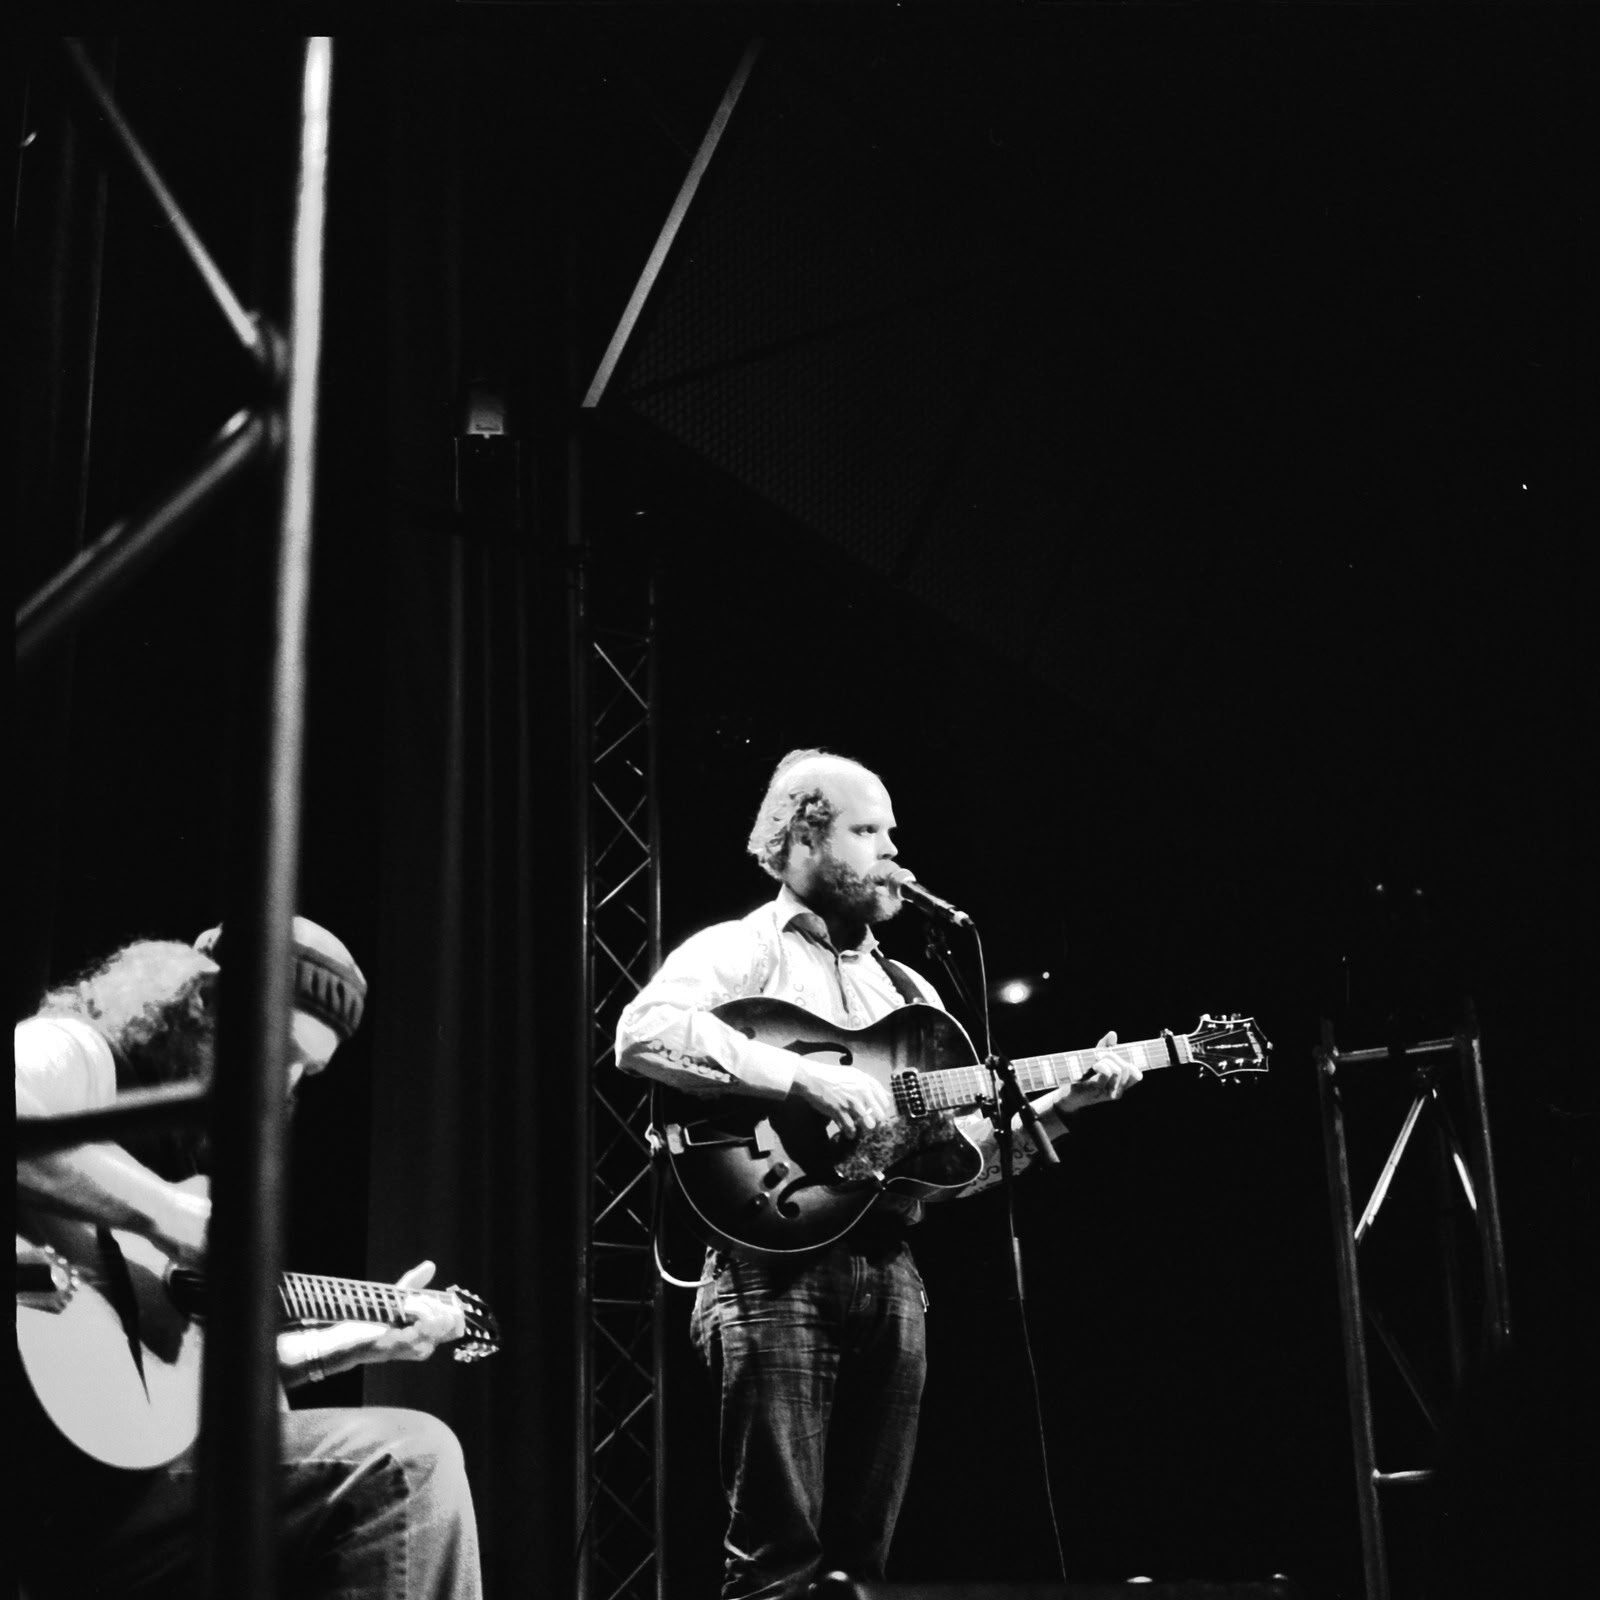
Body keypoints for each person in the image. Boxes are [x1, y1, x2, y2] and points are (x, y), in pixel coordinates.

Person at [615, 749, 1143, 1599]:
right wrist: (806, 1076)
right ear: (801, 841)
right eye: (868, 831)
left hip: (891, 1274)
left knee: (862, 1570)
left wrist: (1060, 1108)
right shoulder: (742, 949)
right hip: (770, 1271)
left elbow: (952, 1166)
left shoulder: (911, 991)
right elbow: (643, 1035)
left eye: (892, 831)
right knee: (776, 1564)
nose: (893, 850)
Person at [14, 916, 483, 1599]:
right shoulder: (79, 1054)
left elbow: (182, 1401)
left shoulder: (193, 1159)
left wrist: (347, 1347)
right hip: (45, 1479)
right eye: (279, 1048)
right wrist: (168, 1214)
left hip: (128, 1494)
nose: (284, 1085)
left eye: (306, 1070)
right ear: (205, 1005)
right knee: (405, 1462)